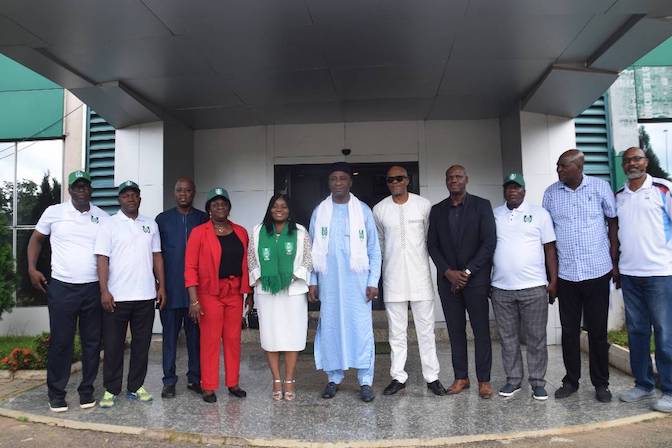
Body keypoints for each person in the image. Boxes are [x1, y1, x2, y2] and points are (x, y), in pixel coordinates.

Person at [27, 170, 108, 412]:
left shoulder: (103, 217)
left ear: (90, 190)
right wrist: (31, 269)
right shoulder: (54, 213)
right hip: (62, 287)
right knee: (61, 342)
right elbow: (36, 240)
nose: (82, 190)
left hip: (92, 287)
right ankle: (56, 393)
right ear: (70, 190)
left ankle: (86, 391)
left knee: (92, 343)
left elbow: (110, 253)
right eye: (77, 186)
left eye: (85, 186)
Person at [542, 149, 618, 403]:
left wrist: (614, 261)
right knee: (569, 332)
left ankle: (601, 383)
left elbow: (613, 224)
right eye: (557, 166)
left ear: (578, 166)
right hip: (567, 275)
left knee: (597, 332)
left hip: (597, 271)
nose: (559, 170)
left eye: (563, 166)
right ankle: (571, 380)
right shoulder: (551, 193)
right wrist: (551, 279)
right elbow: (547, 239)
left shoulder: (600, 187)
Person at [308, 162, 382, 402]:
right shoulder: (320, 211)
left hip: (358, 285)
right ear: (329, 183)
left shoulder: (363, 211)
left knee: (360, 330)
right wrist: (312, 281)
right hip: (329, 284)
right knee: (331, 329)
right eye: (333, 179)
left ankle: (365, 381)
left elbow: (374, 249)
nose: (338, 183)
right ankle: (333, 378)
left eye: (342, 178)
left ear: (350, 182)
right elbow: (310, 249)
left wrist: (373, 281)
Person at [372, 166, 445, 396]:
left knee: (426, 330)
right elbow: (380, 244)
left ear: (407, 180)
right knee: (396, 331)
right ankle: (398, 377)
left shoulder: (424, 206)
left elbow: (429, 239)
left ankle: (432, 377)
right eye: (390, 179)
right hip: (393, 278)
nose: (395, 182)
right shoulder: (380, 209)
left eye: (399, 178)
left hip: (420, 276)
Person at [94, 180, 166, 408]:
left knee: (141, 345)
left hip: (145, 296)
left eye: (134, 195)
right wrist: (104, 290)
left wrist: (161, 286)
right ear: (119, 199)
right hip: (117, 296)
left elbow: (157, 257)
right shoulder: (108, 224)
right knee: (114, 345)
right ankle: (111, 389)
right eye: (125, 195)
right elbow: (102, 258)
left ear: (140, 199)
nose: (130, 198)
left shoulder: (150, 224)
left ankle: (135, 386)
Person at [427, 164, 496, 399]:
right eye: (450, 177)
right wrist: (448, 272)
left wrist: (466, 272)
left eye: (458, 177)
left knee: (481, 331)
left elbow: (489, 243)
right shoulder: (437, 210)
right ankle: (461, 378)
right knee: (455, 332)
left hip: (475, 281)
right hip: (448, 283)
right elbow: (432, 245)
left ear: (467, 179)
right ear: (446, 181)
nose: (454, 180)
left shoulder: (482, 206)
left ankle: (484, 380)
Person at [491, 172, 558, 401]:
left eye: (516, 187)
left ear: (524, 191)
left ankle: (538, 382)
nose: (512, 191)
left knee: (536, 338)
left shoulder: (540, 214)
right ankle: (513, 380)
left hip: (534, 287)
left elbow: (550, 249)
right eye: (508, 187)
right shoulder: (495, 215)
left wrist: (554, 281)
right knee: (508, 338)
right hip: (501, 288)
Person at [616, 147, 672, 413]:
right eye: (627, 161)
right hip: (630, 274)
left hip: (661, 273)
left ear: (646, 162)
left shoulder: (663, 189)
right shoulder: (620, 195)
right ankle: (643, 384)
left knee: (665, 333)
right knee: (637, 332)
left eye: (637, 159)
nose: (632, 164)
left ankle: (670, 390)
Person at [185, 187, 251, 403]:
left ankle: (233, 383)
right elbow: (190, 268)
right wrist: (194, 300)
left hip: (234, 293)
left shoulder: (241, 232)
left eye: (223, 203)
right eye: (215, 204)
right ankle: (209, 386)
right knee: (210, 340)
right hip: (209, 294)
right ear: (209, 209)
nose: (220, 207)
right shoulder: (199, 233)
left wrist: (248, 293)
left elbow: (247, 265)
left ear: (229, 207)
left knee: (233, 339)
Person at [248, 193, 312, 401]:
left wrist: (292, 277)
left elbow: (308, 260)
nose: (279, 209)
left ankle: (290, 380)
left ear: (289, 209)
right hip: (267, 292)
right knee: (271, 337)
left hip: (293, 291)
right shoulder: (257, 231)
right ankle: (276, 379)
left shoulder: (300, 231)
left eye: (284, 206)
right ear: (269, 208)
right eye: (275, 206)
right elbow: (251, 260)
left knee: (292, 337)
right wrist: (263, 278)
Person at [155, 177, 208, 399]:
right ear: (174, 193)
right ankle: (169, 381)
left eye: (187, 190)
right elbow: (155, 255)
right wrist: (160, 286)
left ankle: (195, 378)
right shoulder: (162, 220)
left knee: (196, 338)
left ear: (194, 192)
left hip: (196, 293)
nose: (183, 194)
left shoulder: (203, 219)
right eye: (179, 190)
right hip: (170, 291)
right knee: (169, 338)